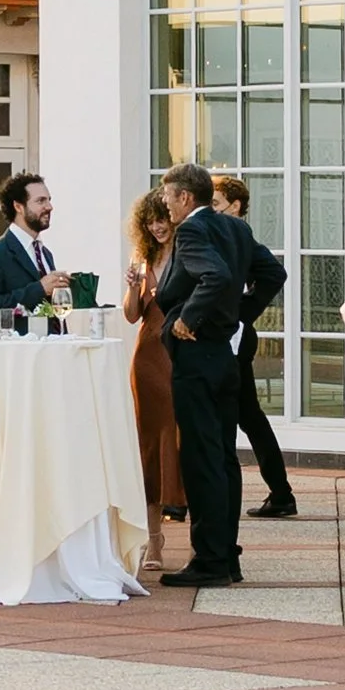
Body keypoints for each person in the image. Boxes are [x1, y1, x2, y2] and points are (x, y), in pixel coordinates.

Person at [153, 162, 262, 587]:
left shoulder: (193, 230)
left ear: (184, 197)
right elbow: (273, 274)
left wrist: (190, 319)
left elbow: (213, 275)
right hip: (226, 356)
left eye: (167, 198)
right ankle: (226, 555)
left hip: (198, 358)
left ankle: (211, 560)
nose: (165, 205)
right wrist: (238, 316)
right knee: (223, 458)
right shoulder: (236, 228)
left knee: (201, 459)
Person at [211, 174, 299, 519]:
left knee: (240, 418)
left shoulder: (239, 237)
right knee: (251, 417)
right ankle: (280, 493)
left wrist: (242, 312)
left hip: (234, 340)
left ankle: (276, 494)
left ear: (235, 207)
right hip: (231, 339)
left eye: (216, 204)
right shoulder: (217, 235)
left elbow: (275, 274)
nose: (210, 210)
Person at [123, 189, 185, 579]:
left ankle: (200, 534)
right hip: (146, 359)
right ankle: (154, 537)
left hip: (180, 356)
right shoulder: (142, 259)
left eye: (163, 219)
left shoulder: (188, 251)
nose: (158, 226)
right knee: (148, 447)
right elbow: (132, 315)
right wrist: (132, 286)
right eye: (151, 222)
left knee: (182, 444)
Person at [0, 174, 62, 324]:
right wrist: (39, 289)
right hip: (17, 346)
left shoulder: (46, 254)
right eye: (41, 201)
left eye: (49, 200)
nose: (49, 207)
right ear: (18, 207)